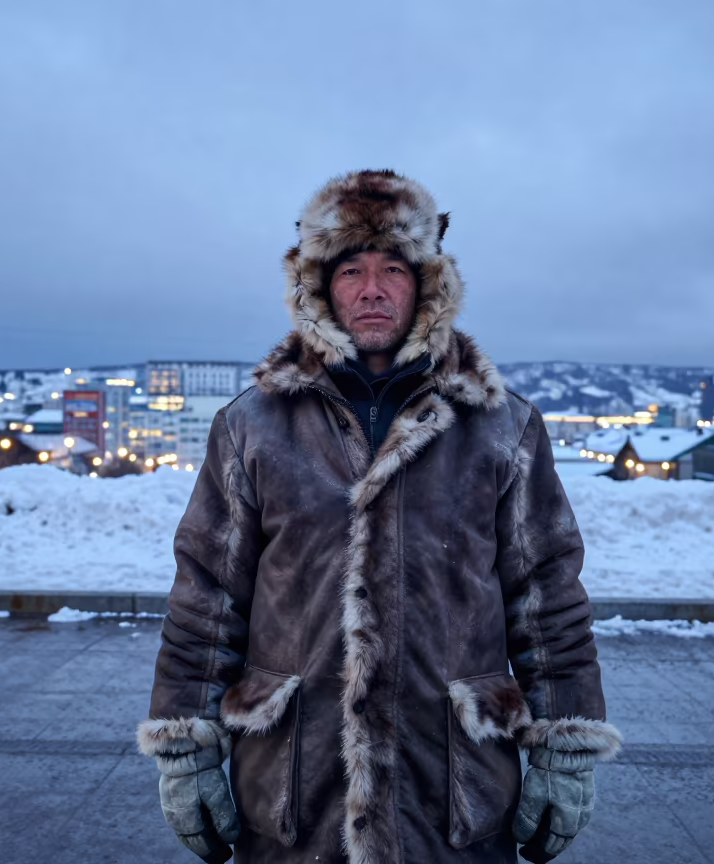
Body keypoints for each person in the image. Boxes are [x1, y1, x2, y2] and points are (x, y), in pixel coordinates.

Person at [137, 169, 622, 864]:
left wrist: (565, 750)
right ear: (318, 286)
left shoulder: (500, 426)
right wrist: (185, 751)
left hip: (455, 797)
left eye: (393, 268)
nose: (371, 289)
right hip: (293, 799)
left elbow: (547, 600)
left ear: (426, 282)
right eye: (351, 269)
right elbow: (205, 598)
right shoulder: (252, 426)